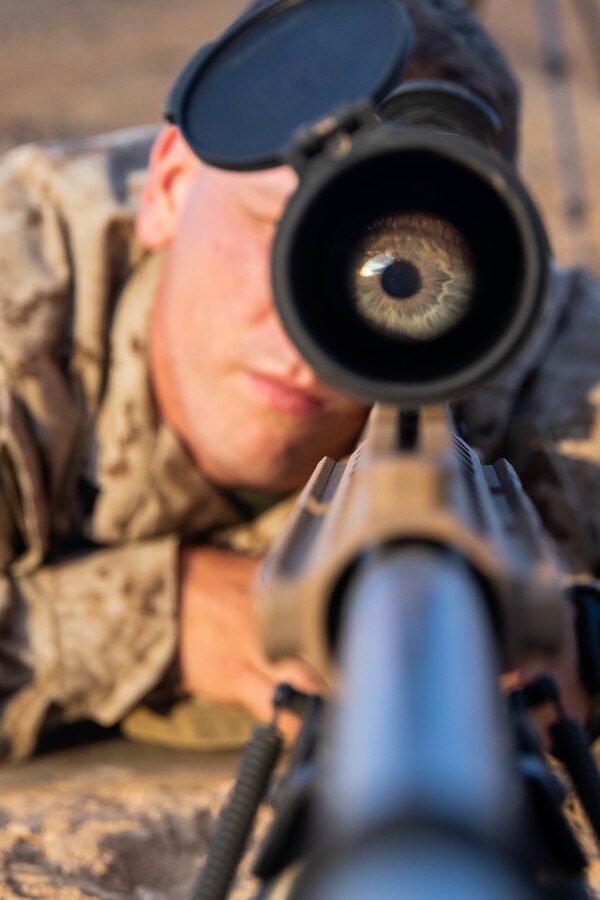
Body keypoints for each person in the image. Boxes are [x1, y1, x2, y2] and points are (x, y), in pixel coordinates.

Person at [0, 0, 597, 767]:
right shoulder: (25, 297)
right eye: (282, 235)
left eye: (397, 276)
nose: (305, 343)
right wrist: (160, 618)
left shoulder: (550, 358)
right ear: (169, 187)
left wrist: (581, 640)